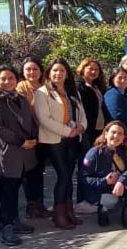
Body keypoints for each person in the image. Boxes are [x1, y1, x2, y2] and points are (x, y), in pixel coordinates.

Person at [34, 58, 87, 230]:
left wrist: (81, 126)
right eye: (55, 70)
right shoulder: (42, 92)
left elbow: (81, 113)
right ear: (49, 72)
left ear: (67, 74)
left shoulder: (72, 91)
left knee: (69, 176)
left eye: (62, 71)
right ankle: (59, 215)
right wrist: (67, 131)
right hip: (54, 140)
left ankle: (69, 211)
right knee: (63, 175)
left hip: (72, 140)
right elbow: (44, 119)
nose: (58, 74)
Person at [0, 65, 37, 246]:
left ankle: (14, 220)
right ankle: (6, 226)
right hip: (7, 152)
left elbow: (29, 121)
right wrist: (20, 141)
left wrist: (33, 138)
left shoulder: (20, 98)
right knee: (7, 190)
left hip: (23, 152)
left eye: (11, 78)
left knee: (15, 188)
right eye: (3, 79)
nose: (7, 82)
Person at [81, 120, 127, 229]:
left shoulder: (125, 150)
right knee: (111, 201)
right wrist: (104, 181)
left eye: (120, 134)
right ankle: (103, 211)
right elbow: (83, 178)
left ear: (124, 138)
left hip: (118, 185)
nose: (116, 136)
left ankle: (126, 214)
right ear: (106, 133)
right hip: (101, 189)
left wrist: (120, 181)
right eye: (113, 132)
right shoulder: (94, 153)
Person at [16, 57, 48, 219]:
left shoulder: (45, 86)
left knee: (39, 171)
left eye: (35, 69)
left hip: (45, 134)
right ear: (23, 71)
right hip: (29, 135)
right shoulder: (21, 87)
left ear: (41, 71)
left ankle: (40, 204)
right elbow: (28, 110)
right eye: (28, 69)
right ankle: (32, 206)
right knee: (29, 173)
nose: (32, 72)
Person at [75, 57, 107, 213]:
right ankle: (82, 200)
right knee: (85, 166)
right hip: (86, 132)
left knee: (93, 166)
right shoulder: (79, 87)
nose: (94, 71)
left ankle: (90, 199)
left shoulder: (95, 87)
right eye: (90, 68)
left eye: (96, 69)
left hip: (97, 131)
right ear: (82, 69)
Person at [102, 67, 127, 144]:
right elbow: (116, 115)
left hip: (126, 133)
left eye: (125, 78)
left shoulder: (125, 94)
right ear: (113, 79)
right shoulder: (112, 94)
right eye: (120, 78)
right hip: (117, 136)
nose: (123, 80)